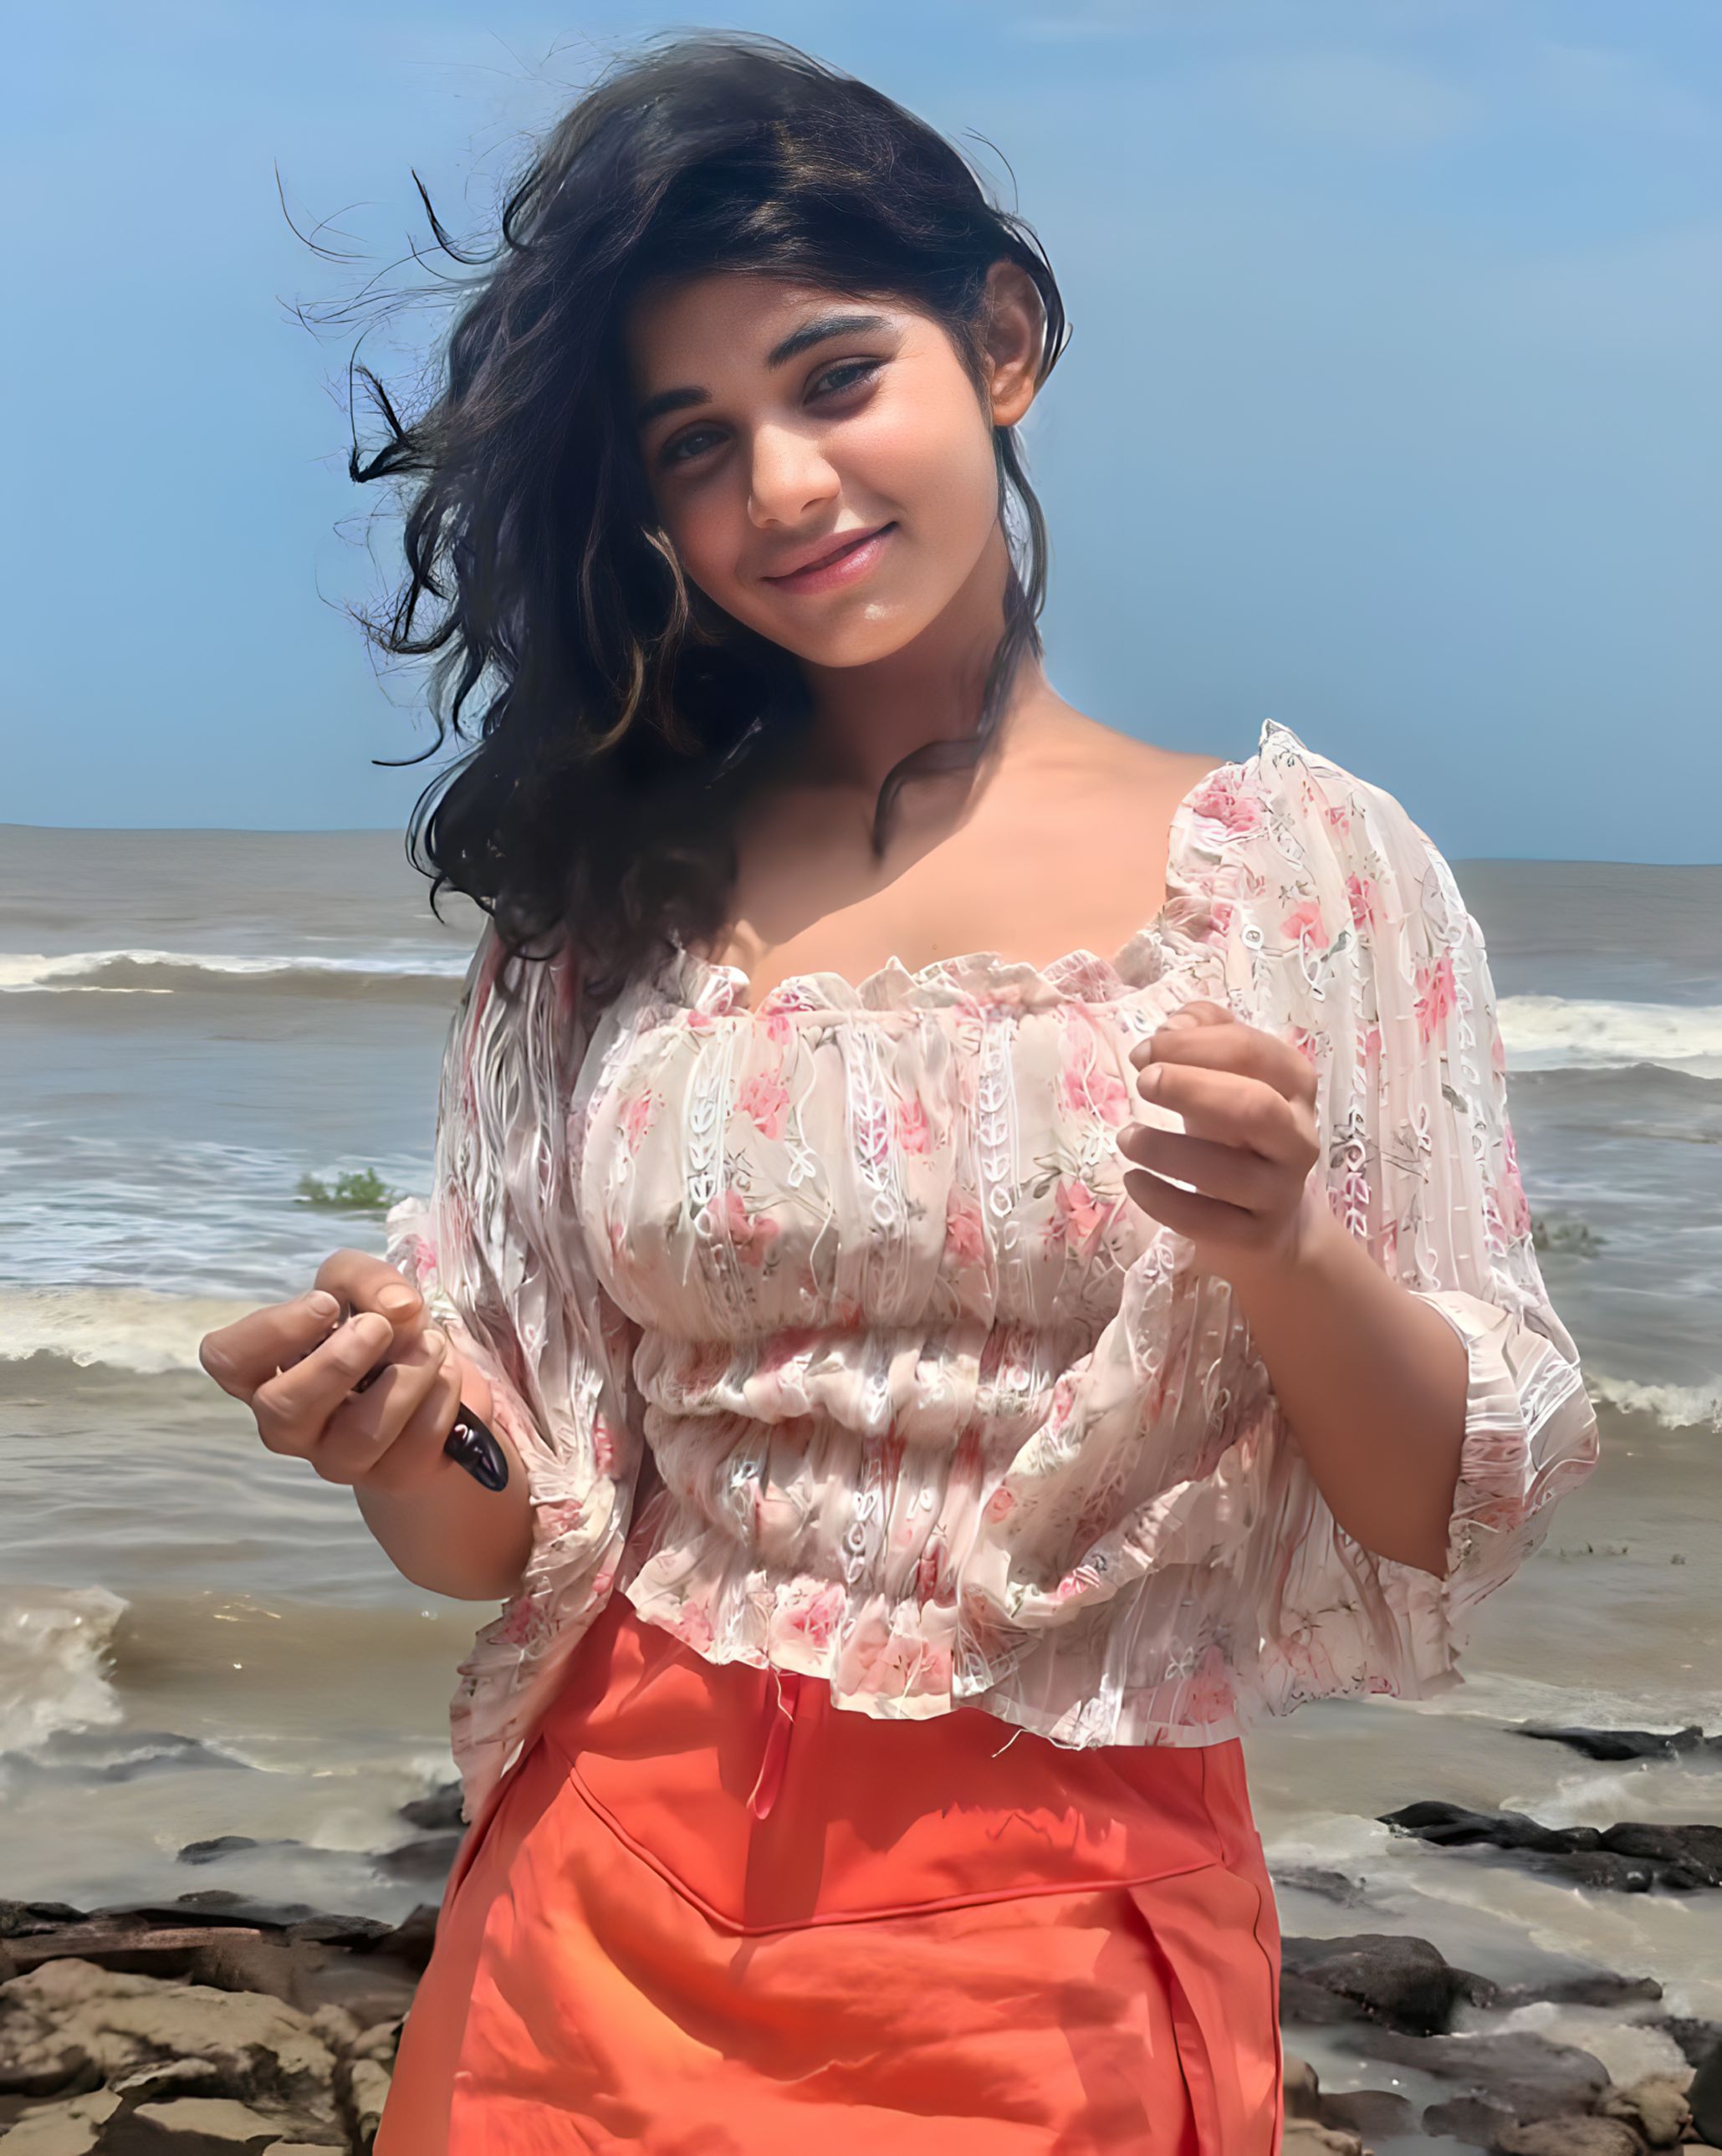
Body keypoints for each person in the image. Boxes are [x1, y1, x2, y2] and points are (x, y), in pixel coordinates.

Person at [199, 29, 1601, 2153]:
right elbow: (501, 1533)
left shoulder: (1298, 873)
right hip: (597, 1894)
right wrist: (394, 1430)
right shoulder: (602, 912)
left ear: (1002, 344)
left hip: (1059, 1942)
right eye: (694, 443)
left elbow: (1440, 1502)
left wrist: (1288, 1247)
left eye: (836, 377)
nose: (779, 487)